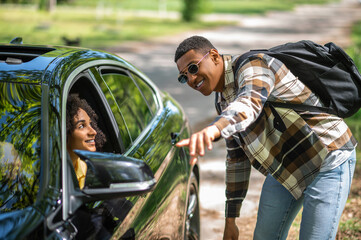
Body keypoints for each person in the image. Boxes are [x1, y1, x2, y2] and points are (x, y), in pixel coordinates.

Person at [174, 36, 357, 240]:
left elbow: (248, 104)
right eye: (183, 77)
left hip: (329, 157)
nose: (191, 79)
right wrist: (230, 220)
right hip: (287, 164)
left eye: (192, 68)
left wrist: (214, 129)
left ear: (214, 56)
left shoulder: (253, 65)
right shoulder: (222, 100)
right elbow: (237, 159)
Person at [66, 93, 106, 189]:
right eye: (81, 126)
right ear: (65, 132)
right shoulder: (49, 177)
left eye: (90, 124)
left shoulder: (86, 169)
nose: (94, 132)